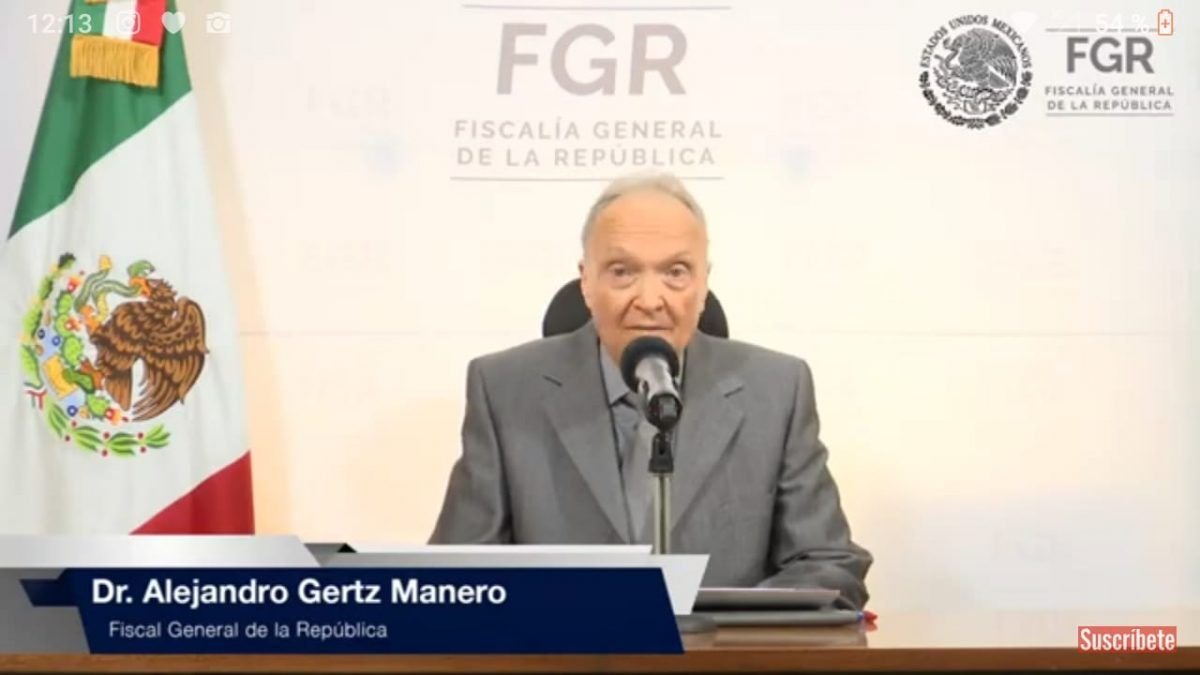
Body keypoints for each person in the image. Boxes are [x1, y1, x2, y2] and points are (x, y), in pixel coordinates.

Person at [430, 172, 872, 608]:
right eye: (622, 272)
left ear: (703, 284)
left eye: (675, 272)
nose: (649, 299)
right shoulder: (504, 389)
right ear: (586, 281)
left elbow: (828, 565)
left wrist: (727, 622)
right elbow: (453, 579)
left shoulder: (776, 390)